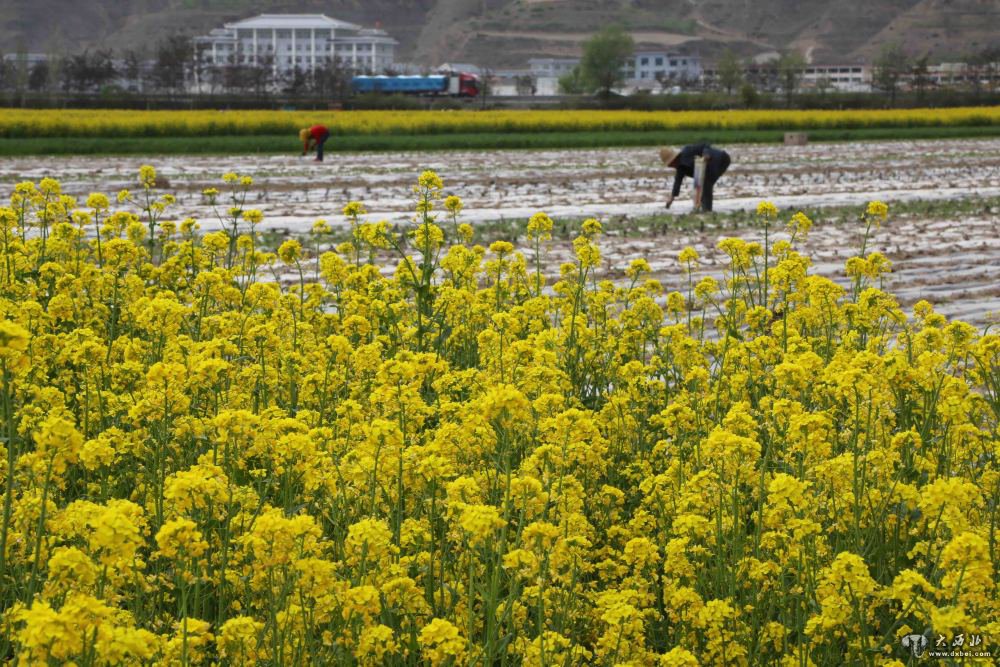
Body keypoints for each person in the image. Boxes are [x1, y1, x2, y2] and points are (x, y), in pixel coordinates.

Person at [660, 143, 731, 212]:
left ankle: (707, 210)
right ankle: (704, 208)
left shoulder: (687, 150)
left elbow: (705, 145)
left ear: (674, 159)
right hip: (710, 167)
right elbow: (677, 182)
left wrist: (706, 154)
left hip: (721, 159)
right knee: (703, 186)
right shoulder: (680, 168)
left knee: (706, 185)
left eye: (671, 164)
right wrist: (672, 198)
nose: (672, 166)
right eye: (670, 165)